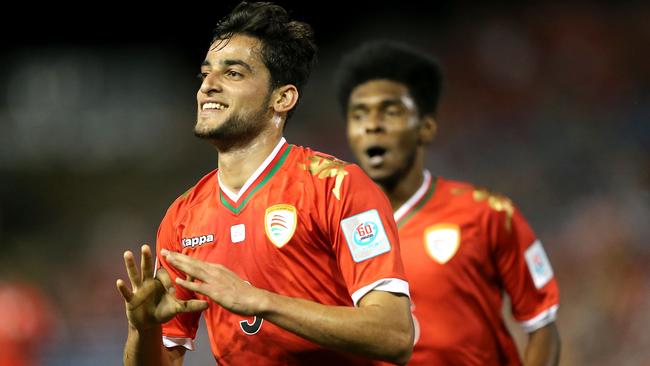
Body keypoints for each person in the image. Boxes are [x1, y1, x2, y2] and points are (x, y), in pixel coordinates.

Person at [115, 3, 414, 366]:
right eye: (205, 74)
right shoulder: (184, 217)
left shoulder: (337, 187)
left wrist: (259, 300)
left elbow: (394, 334)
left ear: (282, 98)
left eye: (234, 74)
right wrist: (142, 330)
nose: (208, 85)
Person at [336, 40, 560, 365]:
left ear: (425, 128)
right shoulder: (330, 230)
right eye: (359, 115)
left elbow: (542, 325)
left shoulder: (487, 214)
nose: (372, 125)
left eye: (391, 111)